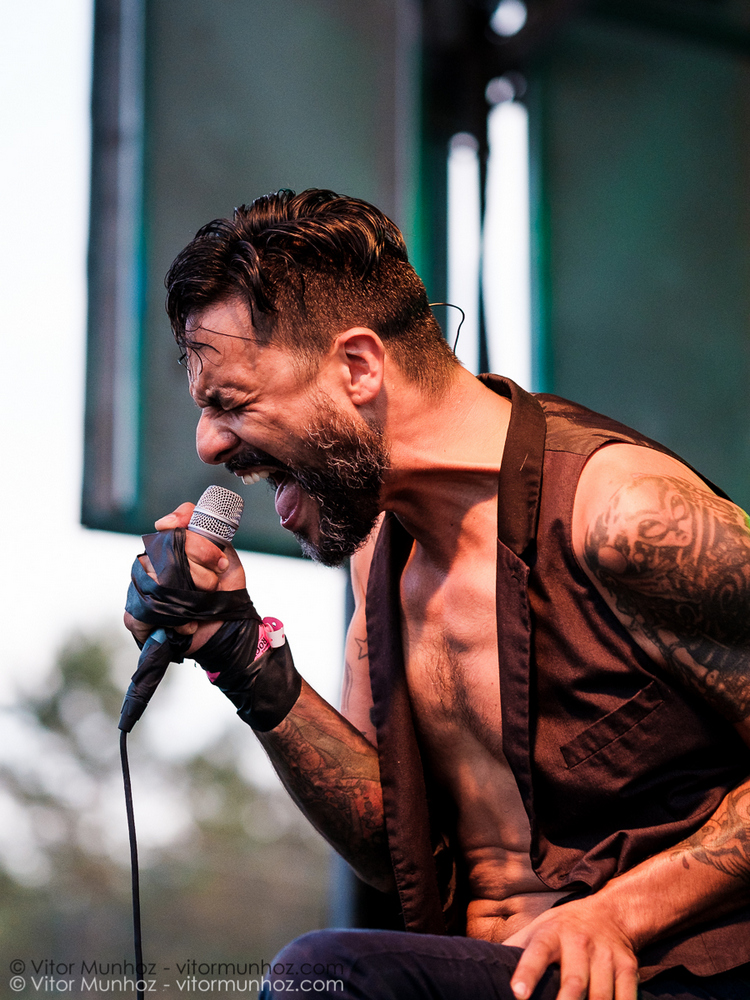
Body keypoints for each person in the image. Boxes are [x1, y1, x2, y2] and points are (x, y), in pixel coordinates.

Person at [124, 189, 750, 1000]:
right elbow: (394, 849)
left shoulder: (627, 514)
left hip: (673, 975)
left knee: (327, 975)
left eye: (231, 403)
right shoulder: (380, 547)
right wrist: (241, 658)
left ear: (357, 367)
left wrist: (620, 914)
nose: (208, 443)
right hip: (497, 972)